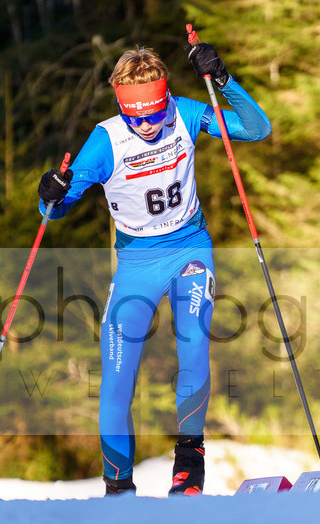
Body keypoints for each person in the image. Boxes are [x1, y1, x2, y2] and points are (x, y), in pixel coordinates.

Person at [37, 39, 271, 496]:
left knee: (194, 346)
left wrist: (223, 79)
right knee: (117, 377)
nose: (145, 125)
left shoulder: (185, 113)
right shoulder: (106, 142)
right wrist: (49, 192)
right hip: (136, 264)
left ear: (165, 99)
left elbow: (256, 128)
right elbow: (54, 211)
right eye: (134, 116)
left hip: (190, 250)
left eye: (153, 113)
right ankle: (118, 487)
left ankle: (189, 465)